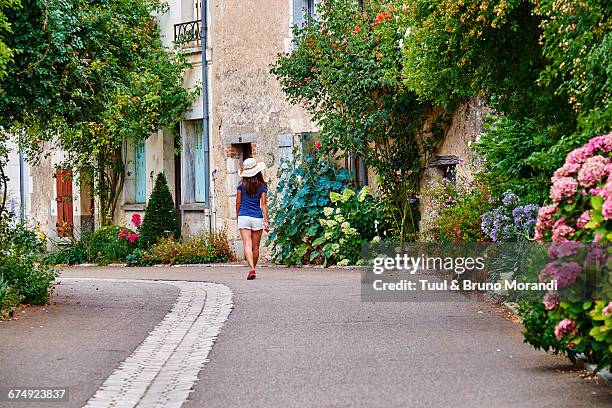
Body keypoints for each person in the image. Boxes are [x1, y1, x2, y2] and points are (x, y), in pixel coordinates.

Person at [236, 157, 269, 280]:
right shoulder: (262, 186)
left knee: (247, 244)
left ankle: (252, 269)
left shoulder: (240, 185)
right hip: (257, 217)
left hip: (244, 216)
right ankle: (253, 268)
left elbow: (238, 202)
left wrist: (237, 216)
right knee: (255, 247)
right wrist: (266, 221)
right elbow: (264, 204)